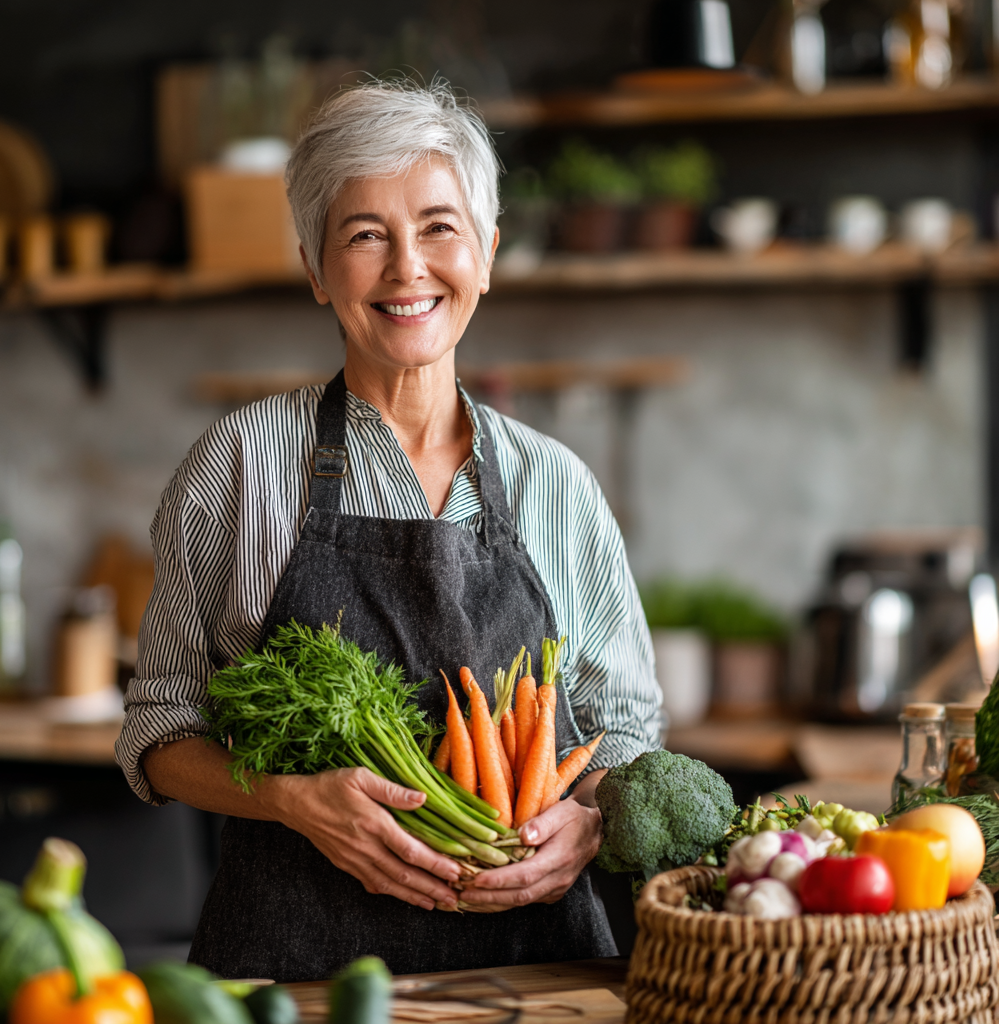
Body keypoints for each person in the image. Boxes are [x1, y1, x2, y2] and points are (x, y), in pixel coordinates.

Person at [116, 79, 662, 982]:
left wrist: (593, 821)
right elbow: (160, 730)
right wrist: (293, 800)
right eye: (365, 235)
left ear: (486, 254)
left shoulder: (558, 485)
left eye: (440, 228)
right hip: (297, 980)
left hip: (535, 977)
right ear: (315, 270)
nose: (408, 267)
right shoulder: (239, 468)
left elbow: (625, 738)